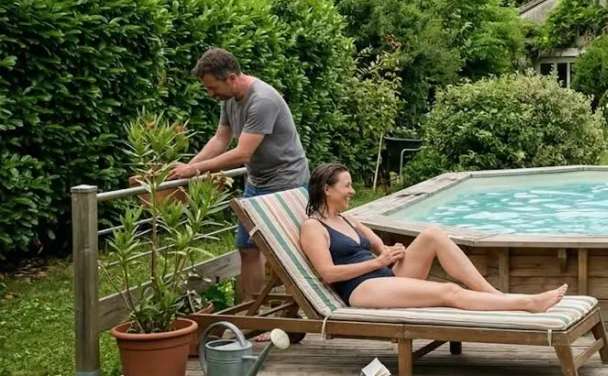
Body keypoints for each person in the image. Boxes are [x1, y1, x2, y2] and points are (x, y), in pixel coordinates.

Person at [300, 163, 568, 312]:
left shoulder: (349, 219)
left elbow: (381, 248)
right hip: (362, 288)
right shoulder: (314, 227)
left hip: (386, 276)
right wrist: (377, 262)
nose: (352, 191)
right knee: (448, 291)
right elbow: (328, 274)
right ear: (327, 190)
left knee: (433, 234)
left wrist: (393, 251)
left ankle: (495, 295)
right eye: (347, 186)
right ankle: (528, 303)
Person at [167, 48, 310, 306]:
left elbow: (242, 153)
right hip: (257, 182)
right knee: (247, 248)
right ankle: (251, 309)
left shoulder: (262, 100)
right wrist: (188, 167)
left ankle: (284, 310)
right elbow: (220, 139)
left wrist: (194, 170)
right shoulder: (229, 99)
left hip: (286, 182)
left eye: (213, 87)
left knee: (282, 253)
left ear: (231, 78)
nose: (211, 94)